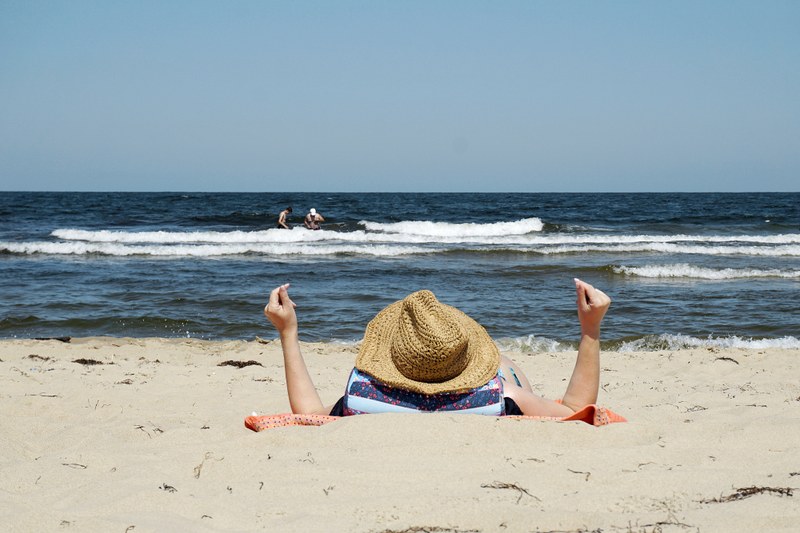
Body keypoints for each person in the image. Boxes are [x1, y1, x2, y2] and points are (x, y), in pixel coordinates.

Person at [264, 279, 611, 418]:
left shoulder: (360, 396)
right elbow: (578, 412)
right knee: (506, 364)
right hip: (499, 398)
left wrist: (288, 331)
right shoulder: (499, 397)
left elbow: (307, 414)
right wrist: (591, 330)